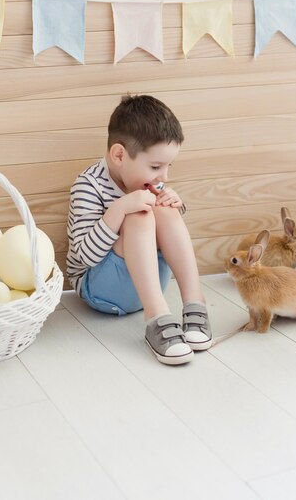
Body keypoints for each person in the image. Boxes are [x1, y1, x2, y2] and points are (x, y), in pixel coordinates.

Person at [67, 94, 212, 365]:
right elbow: (85, 257)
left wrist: (174, 204)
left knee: (164, 210)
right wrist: (120, 209)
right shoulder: (87, 186)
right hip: (100, 289)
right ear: (119, 155)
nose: (164, 176)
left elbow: (168, 232)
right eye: (156, 166)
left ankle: (195, 301)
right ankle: (156, 318)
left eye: (169, 166)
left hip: (149, 284)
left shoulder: (150, 182)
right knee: (139, 215)